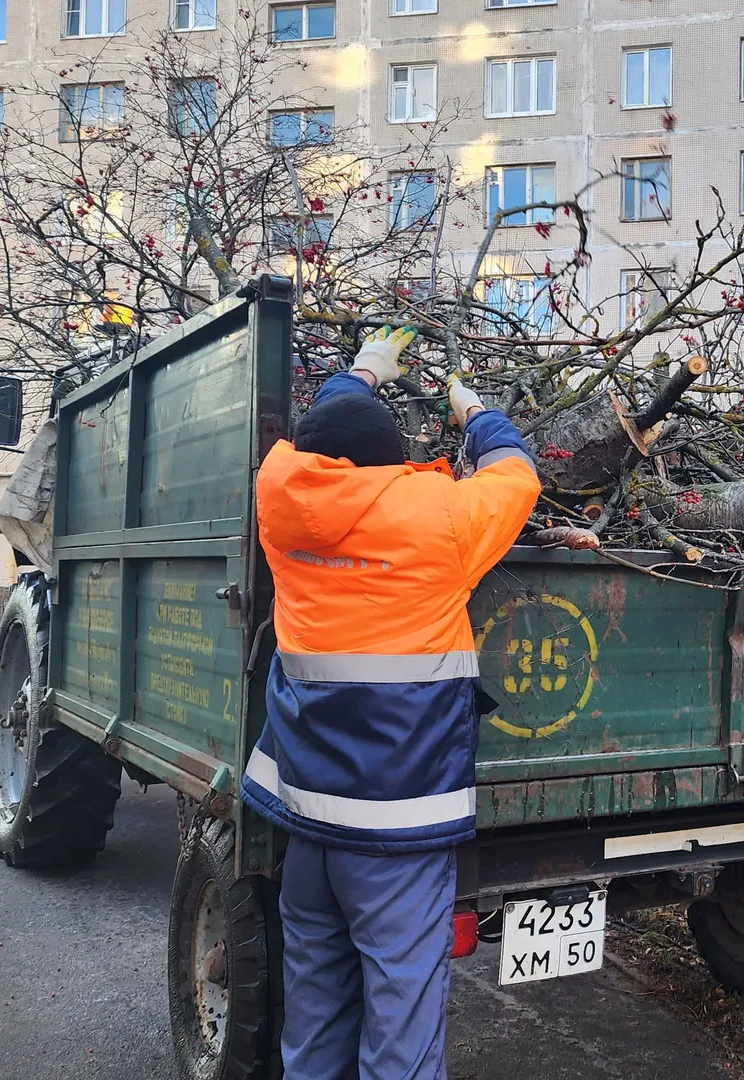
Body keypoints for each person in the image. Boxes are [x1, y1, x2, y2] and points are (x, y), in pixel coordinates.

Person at [239, 328, 541, 1080]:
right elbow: (516, 476)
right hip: (397, 836)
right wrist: (474, 411)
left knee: (315, 1022)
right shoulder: (438, 520)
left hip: (310, 826)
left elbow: (322, 428)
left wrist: (367, 368)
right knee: (400, 1037)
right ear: (392, 463)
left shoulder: (278, 499)